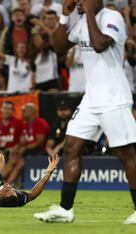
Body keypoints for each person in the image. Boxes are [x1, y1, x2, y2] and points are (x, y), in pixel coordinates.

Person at [34, 0, 136, 224]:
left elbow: (100, 44)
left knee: (125, 154)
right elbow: (59, 48)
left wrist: (89, 12)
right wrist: (64, 15)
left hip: (114, 97)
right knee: (71, 147)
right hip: (91, 99)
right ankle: (65, 209)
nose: (77, 1)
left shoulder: (112, 17)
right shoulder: (81, 21)